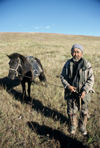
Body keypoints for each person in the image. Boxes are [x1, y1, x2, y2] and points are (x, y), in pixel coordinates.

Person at [60, 44, 94, 135]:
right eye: (74, 52)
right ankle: (73, 125)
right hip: (71, 92)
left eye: (77, 52)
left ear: (81, 53)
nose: (75, 54)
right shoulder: (67, 63)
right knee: (71, 109)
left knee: (84, 110)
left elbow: (91, 79)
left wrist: (85, 90)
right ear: (71, 53)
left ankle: (82, 126)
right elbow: (62, 76)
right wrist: (68, 86)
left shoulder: (87, 64)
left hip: (83, 93)